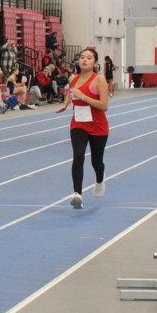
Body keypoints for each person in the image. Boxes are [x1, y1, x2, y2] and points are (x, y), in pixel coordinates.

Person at [55, 48, 109, 209]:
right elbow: (71, 92)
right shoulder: (74, 78)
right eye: (82, 57)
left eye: (89, 58)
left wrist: (84, 96)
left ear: (95, 63)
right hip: (78, 124)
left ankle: (99, 179)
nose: (84, 60)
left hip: (98, 126)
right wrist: (65, 104)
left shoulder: (99, 80)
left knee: (96, 162)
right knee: (78, 156)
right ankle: (77, 194)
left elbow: (104, 105)